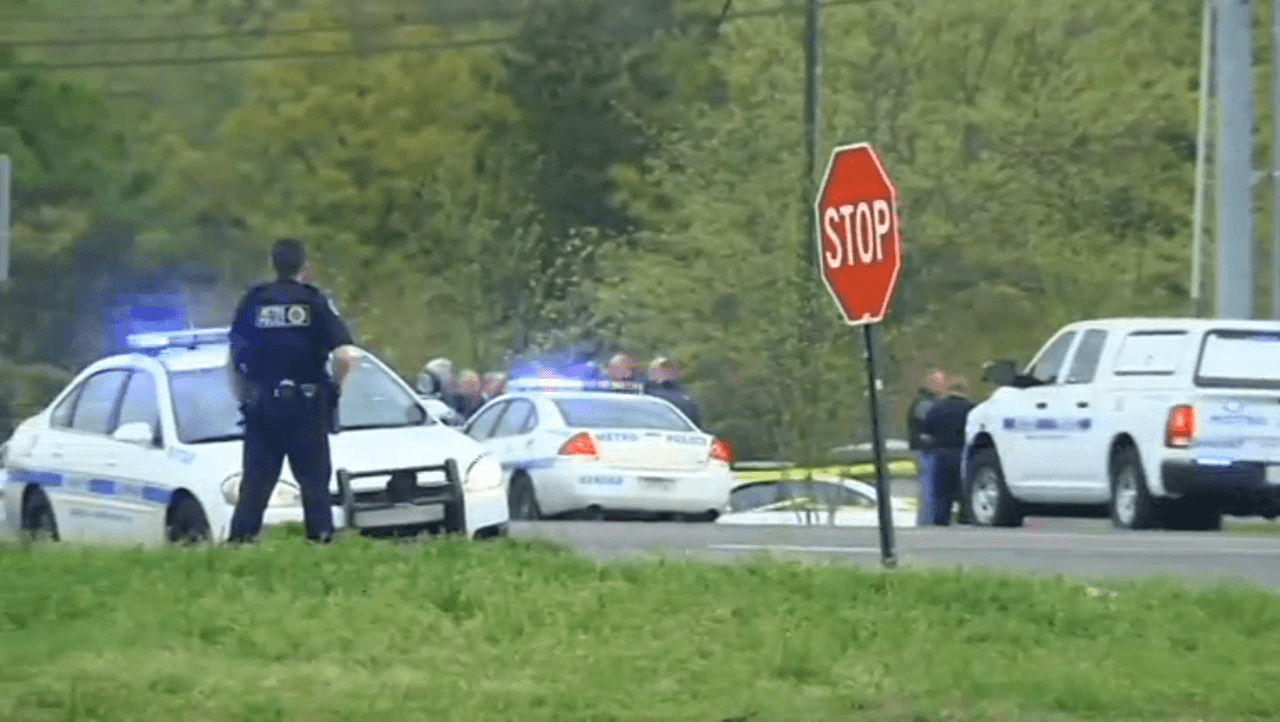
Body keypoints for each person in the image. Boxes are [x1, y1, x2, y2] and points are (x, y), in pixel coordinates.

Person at [226, 238, 357, 544]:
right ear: (304, 266)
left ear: (274, 264)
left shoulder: (255, 301)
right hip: (307, 408)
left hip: (264, 410)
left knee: (255, 488)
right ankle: (321, 546)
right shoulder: (314, 302)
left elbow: (232, 358)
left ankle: (238, 549)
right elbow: (345, 355)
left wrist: (245, 396)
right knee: (314, 488)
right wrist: (335, 389)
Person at [921, 376, 976, 526]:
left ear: (949, 390)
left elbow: (927, 430)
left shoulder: (937, 408)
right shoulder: (972, 409)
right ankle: (964, 518)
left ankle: (941, 520)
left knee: (941, 492)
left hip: (942, 453)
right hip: (964, 453)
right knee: (965, 490)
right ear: (965, 390)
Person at [908, 370, 946, 525]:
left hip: (926, 448)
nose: (943, 386)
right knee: (928, 487)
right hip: (925, 450)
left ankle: (927, 520)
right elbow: (934, 423)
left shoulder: (926, 402)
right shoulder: (925, 404)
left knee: (929, 487)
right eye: (939, 382)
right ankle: (926, 522)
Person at [645, 356, 702, 427]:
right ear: (653, 373)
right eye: (662, 369)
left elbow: (695, 420)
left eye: (669, 368)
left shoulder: (684, 395)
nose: (666, 371)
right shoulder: (646, 395)